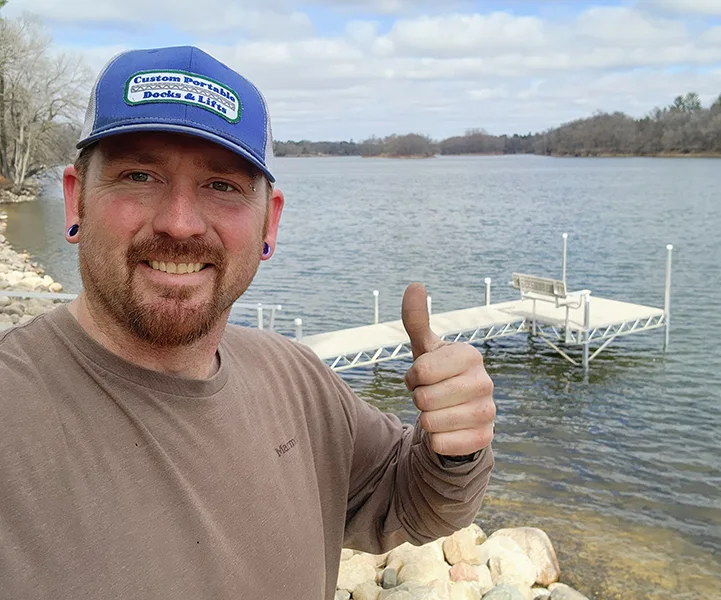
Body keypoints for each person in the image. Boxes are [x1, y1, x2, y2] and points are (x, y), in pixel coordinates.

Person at [0, 46, 495, 599]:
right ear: (75, 202)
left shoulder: (295, 380)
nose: (181, 224)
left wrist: (456, 445)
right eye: (139, 175)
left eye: (222, 185)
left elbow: (409, 499)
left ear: (269, 222)